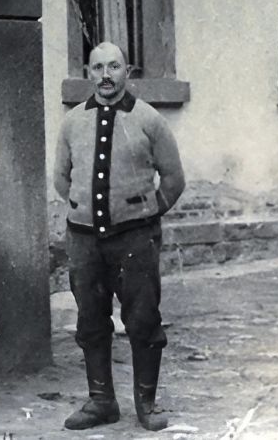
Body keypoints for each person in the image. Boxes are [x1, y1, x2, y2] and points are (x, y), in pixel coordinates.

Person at [53, 42, 187, 431]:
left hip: (134, 240)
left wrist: (143, 214)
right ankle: (101, 402)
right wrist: (85, 210)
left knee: (142, 319)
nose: (106, 75)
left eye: (114, 67)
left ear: (128, 71)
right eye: (98, 68)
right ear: (88, 73)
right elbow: (61, 178)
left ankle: (146, 404)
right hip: (84, 241)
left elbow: (174, 179)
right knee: (90, 320)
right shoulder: (73, 122)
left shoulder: (148, 119)